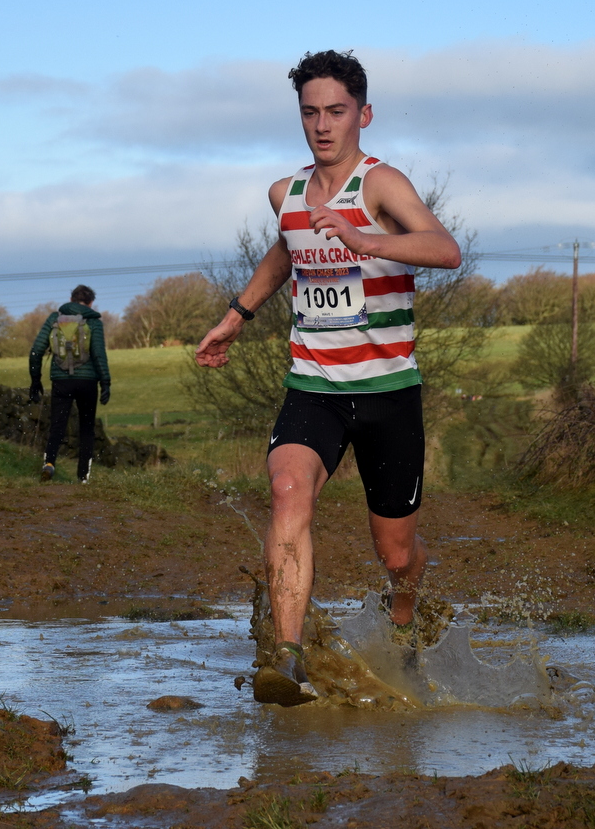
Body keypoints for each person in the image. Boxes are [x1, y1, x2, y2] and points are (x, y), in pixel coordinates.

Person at [195, 50, 461, 706]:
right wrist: (237, 314)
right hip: (313, 386)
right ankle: (287, 660)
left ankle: (407, 616)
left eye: (336, 111)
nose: (322, 124)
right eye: (310, 112)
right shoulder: (284, 195)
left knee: (396, 555)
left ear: (362, 115)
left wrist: (367, 239)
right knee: (288, 491)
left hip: (388, 391)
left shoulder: (380, 186)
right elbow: (287, 250)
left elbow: (444, 248)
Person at [29, 284, 111, 484]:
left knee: (57, 425)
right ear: (91, 302)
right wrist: (105, 382)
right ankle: (83, 477)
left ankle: (49, 464)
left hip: (61, 381)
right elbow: (99, 355)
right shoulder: (94, 321)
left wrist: (35, 380)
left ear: (71, 300)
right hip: (87, 382)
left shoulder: (54, 319)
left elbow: (36, 351)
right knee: (86, 428)